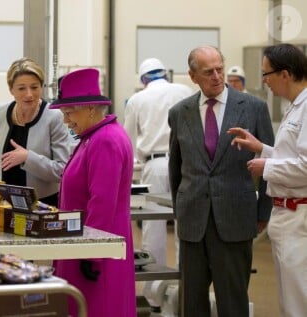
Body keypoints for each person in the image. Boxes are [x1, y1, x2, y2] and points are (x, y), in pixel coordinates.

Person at [168, 45, 274, 317]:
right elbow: (175, 167)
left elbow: (269, 163)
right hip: (193, 221)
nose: (216, 76)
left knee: (233, 299)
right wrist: (180, 210)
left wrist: (263, 212)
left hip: (235, 218)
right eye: (208, 72)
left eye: (220, 69)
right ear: (192, 76)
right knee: (191, 300)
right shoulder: (180, 112)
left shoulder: (253, 108)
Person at [228, 43, 307, 317]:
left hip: (299, 215)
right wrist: (261, 148)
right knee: (290, 297)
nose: (264, 81)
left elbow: (306, 166)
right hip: (287, 214)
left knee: (298, 300)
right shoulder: (295, 107)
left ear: (285, 74)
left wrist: (267, 167)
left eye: (266, 74)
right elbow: (291, 156)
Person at [51, 68, 136, 317]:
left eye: (69, 113)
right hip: (85, 244)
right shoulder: (92, 137)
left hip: (97, 251)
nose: (66, 121)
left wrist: (92, 253)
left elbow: (103, 201)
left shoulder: (105, 140)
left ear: (90, 108)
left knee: (99, 308)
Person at [124, 57, 192, 268]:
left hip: (154, 165)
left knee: (153, 227)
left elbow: (128, 139)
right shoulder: (185, 91)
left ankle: (155, 293)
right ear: (165, 73)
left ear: (144, 79)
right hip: (186, 163)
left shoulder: (137, 99)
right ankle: (185, 287)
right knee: (187, 225)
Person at [0, 57, 71, 206]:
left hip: (43, 205)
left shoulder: (54, 116)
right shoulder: (0, 112)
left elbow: (63, 170)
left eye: (34, 87)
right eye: (21, 88)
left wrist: (28, 158)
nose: (29, 94)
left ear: (42, 87)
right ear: (11, 90)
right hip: (7, 203)